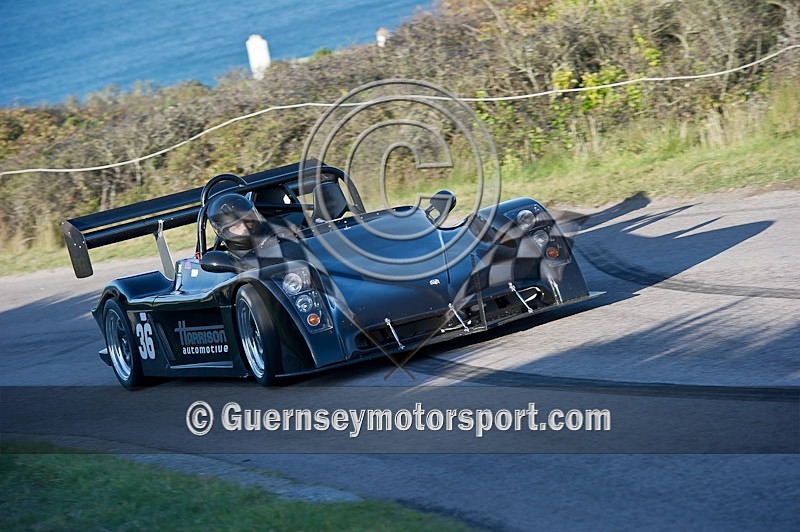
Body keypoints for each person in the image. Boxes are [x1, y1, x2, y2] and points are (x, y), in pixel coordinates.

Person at [206, 193, 271, 257]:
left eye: (248, 220)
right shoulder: (225, 259)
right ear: (224, 233)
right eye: (236, 227)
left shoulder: (275, 232)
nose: (245, 228)